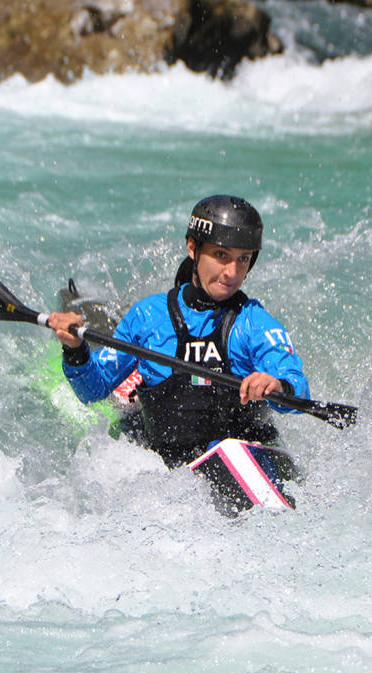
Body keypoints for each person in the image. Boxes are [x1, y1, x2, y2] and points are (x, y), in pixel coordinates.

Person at [49, 195, 310, 468]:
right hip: (166, 464)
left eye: (242, 259)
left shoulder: (255, 323)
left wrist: (278, 386)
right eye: (221, 255)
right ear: (192, 247)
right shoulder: (148, 316)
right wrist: (75, 350)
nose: (232, 272)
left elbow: (296, 386)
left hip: (245, 461)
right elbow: (94, 390)